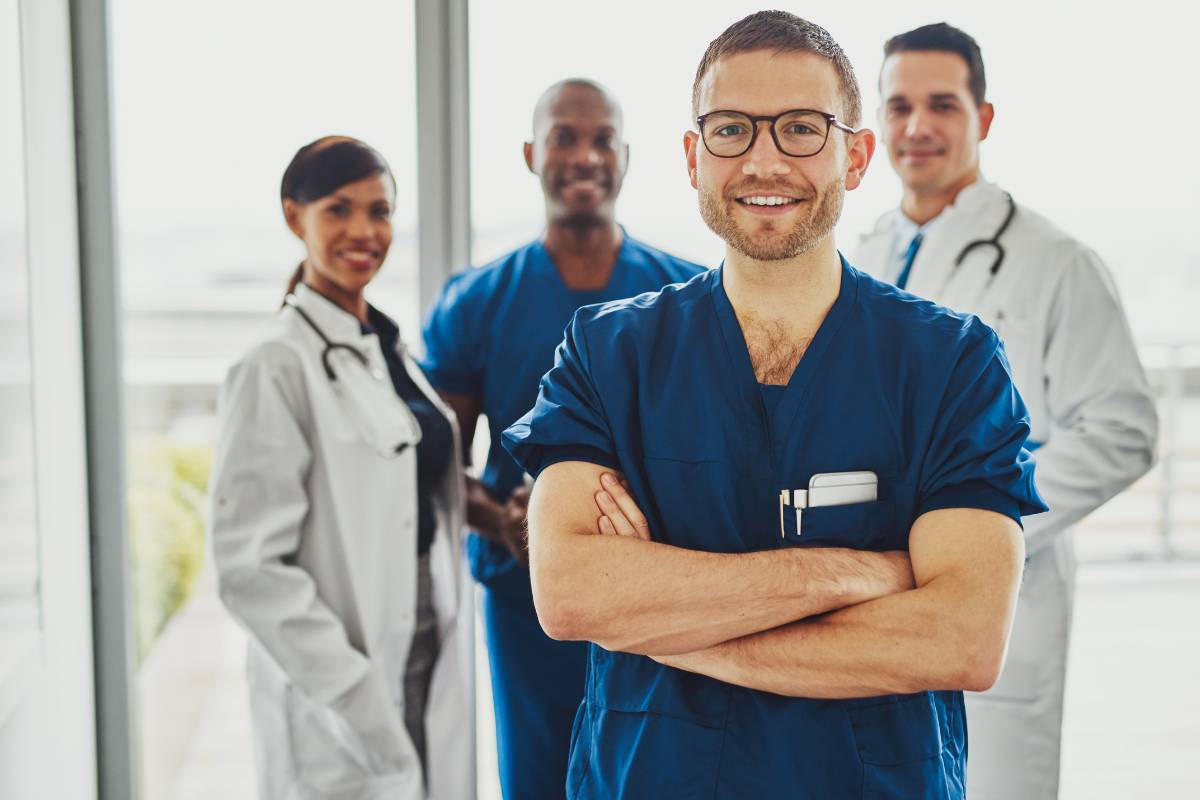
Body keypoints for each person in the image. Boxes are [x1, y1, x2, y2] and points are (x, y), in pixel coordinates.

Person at [502, 11, 1048, 798]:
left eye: (800, 129)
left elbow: (963, 638)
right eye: (730, 129)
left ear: (855, 156)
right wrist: (856, 574)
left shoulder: (952, 364)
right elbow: (571, 595)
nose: (764, 160)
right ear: (692, 156)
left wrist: (666, 629)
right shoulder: (607, 354)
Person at [851, 23, 1158, 799]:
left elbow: (1121, 431)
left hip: (999, 596)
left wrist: (981, 528)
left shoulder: (1056, 263)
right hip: (872, 592)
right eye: (899, 106)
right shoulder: (861, 255)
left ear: (983, 118)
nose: (917, 127)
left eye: (942, 105)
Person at [419, 78, 704, 799]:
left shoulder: (688, 298)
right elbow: (439, 462)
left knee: (654, 775)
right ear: (531, 155)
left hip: (656, 594)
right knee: (539, 776)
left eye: (602, 139)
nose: (585, 156)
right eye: (564, 138)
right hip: (526, 602)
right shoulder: (477, 302)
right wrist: (504, 520)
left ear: (626, 157)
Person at [209, 136, 473, 800]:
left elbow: (408, 487)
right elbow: (249, 569)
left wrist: (499, 515)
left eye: (379, 211)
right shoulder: (275, 364)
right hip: (341, 679)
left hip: (425, 641)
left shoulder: (382, 348)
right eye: (338, 209)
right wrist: (352, 687)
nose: (364, 231)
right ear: (293, 216)